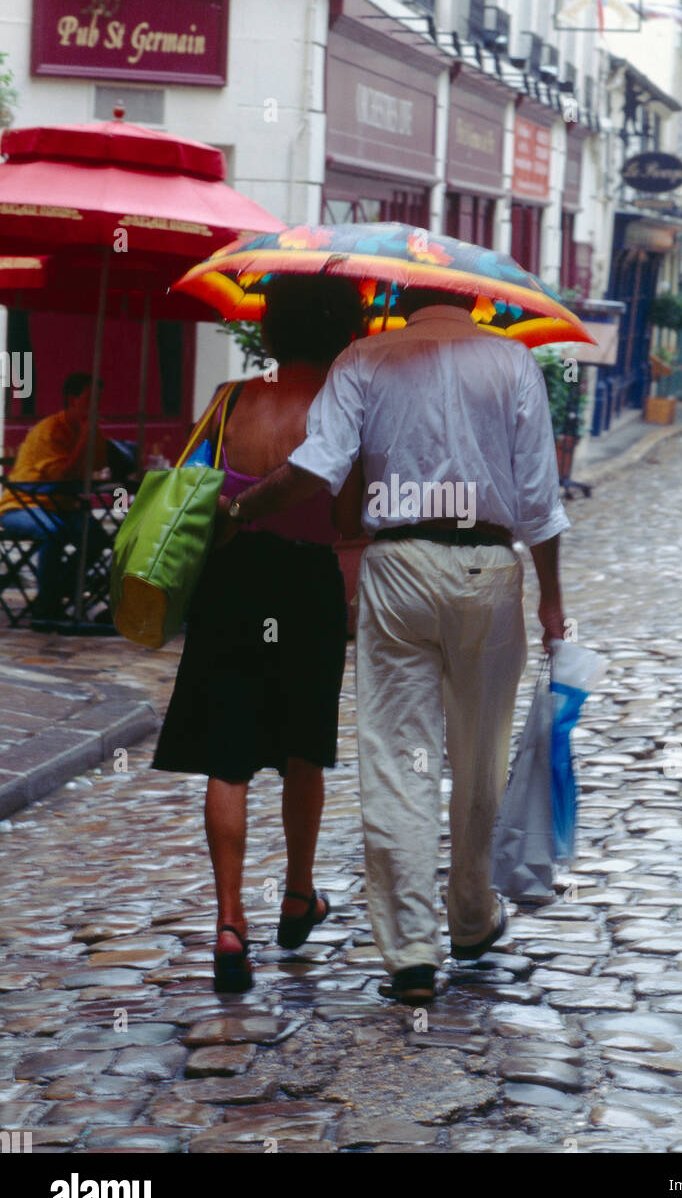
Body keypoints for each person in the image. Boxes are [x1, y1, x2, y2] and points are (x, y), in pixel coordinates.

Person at [219, 287, 569, 1006]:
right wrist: (552, 596)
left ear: (400, 299)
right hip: (489, 567)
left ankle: (409, 953)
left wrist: (242, 509)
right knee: (479, 755)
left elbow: (319, 468)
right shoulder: (511, 363)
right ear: (473, 297)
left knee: (395, 757)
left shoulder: (363, 358)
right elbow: (538, 495)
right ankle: (471, 919)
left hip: (399, 565)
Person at [152, 276, 364, 994]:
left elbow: (190, 486)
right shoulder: (340, 408)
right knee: (304, 748)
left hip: (231, 582)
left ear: (269, 329)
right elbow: (349, 521)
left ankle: (229, 921)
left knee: (229, 756)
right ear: (343, 332)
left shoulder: (229, 399)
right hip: (305, 586)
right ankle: (298, 894)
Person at [0, 372, 109, 625]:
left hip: (61, 505)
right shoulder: (49, 430)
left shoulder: (90, 429)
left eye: (99, 400)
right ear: (73, 400)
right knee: (52, 531)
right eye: (90, 399)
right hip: (22, 504)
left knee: (96, 537)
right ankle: (47, 605)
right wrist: (85, 435)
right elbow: (63, 476)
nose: (95, 406)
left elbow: (102, 463)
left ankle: (56, 591)